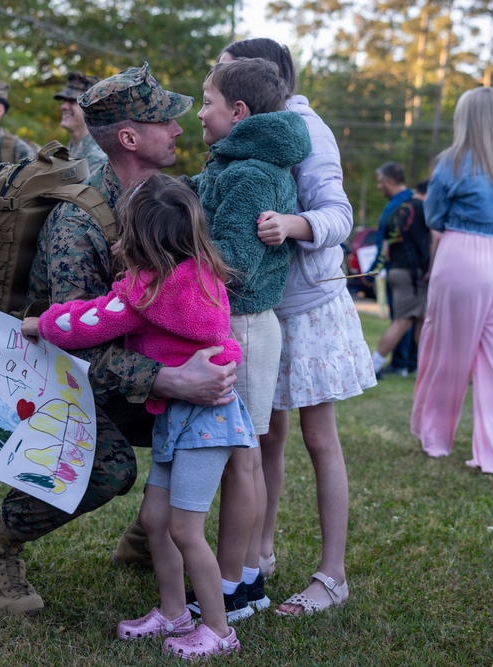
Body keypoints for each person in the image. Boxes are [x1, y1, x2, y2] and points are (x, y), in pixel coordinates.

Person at [0, 63, 237, 618]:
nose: (180, 130)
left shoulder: (167, 198)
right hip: (47, 369)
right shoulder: (79, 221)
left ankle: (149, 535)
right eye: (166, 121)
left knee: (217, 425)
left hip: (121, 369)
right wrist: (168, 379)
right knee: (109, 467)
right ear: (130, 138)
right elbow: (75, 341)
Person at [23, 174, 250, 658]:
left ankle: (219, 630)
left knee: (186, 530)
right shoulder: (195, 272)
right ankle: (173, 613)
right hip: (183, 415)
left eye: (126, 231)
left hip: (203, 424)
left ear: (144, 241)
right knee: (154, 519)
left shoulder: (150, 294)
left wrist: (37, 324)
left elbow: (85, 322)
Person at [218, 37, 377, 616]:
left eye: (226, 74)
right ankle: (258, 554)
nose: (219, 84)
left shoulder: (308, 129)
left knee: (319, 438)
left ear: (264, 80)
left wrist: (292, 223)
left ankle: (332, 576)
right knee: (264, 436)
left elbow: (340, 215)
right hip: (263, 311)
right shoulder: (246, 138)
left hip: (309, 306)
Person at [184, 56, 311, 622]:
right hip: (232, 325)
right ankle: (246, 574)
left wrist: (169, 260)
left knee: (242, 458)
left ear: (238, 112)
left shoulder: (252, 174)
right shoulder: (232, 163)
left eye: (207, 102)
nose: (200, 114)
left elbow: (231, 262)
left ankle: (236, 583)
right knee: (244, 455)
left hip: (242, 329)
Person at [411, 86, 493, 474]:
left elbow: (433, 216)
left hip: (464, 253)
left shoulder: (451, 161)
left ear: (465, 118)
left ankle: (435, 438)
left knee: (446, 353)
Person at [368, 165, 436, 377]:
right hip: (413, 274)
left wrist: (379, 269)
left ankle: (423, 366)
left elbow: (385, 247)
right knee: (402, 321)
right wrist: (431, 270)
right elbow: (435, 239)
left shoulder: (395, 210)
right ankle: (372, 366)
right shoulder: (424, 209)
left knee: (421, 318)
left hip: (396, 271)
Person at [54, 71, 108, 172]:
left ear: (92, 108)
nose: (63, 107)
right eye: (63, 101)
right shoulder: (68, 151)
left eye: (72, 101)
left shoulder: (99, 157)